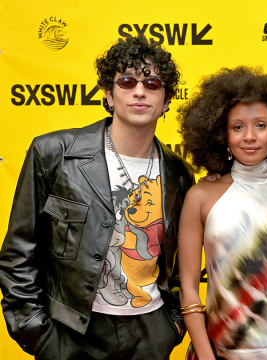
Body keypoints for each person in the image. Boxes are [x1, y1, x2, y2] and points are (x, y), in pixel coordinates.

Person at [0, 35, 194, 359]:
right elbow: (18, 253)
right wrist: (36, 333)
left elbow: (178, 265)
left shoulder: (179, 174)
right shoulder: (54, 154)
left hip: (150, 333)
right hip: (69, 334)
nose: (140, 91)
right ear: (109, 94)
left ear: (167, 99)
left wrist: (171, 326)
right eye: (127, 81)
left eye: (152, 83)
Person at [176, 66, 267, 360]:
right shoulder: (200, 197)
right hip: (220, 349)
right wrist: (205, 355)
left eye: (260, 125)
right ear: (222, 136)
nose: (250, 137)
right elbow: (189, 287)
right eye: (238, 127)